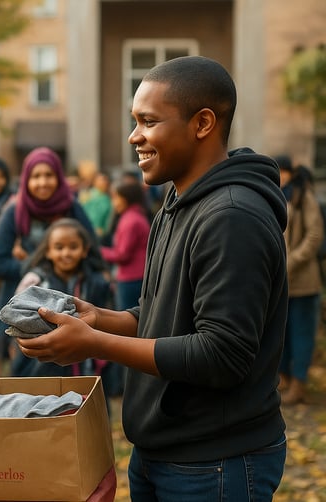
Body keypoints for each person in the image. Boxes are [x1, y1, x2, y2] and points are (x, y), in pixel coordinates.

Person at [17, 56, 288, 500]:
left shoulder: (233, 216)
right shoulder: (175, 201)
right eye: (134, 121)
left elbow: (222, 354)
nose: (134, 136)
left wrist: (94, 344)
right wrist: (96, 318)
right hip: (161, 452)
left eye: (148, 121)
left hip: (214, 463)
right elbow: (163, 315)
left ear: (202, 123)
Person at [0, 146, 101, 376]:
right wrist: (38, 268)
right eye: (36, 176)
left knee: (73, 370)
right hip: (25, 304)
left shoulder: (72, 208)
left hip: (71, 302)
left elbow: (94, 254)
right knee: (29, 372)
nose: (43, 182)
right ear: (26, 179)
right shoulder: (15, 211)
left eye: (48, 175)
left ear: (59, 178)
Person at [13, 217, 110, 379]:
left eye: (73, 247)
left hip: (87, 357)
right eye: (59, 247)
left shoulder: (97, 283)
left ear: (85, 250)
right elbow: (18, 317)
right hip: (41, 361)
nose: (66, 253)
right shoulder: (34, 283)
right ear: (48, 251)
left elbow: (105, 318)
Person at [275, 154, 323, 405]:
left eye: (283, 171)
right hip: (282, 283)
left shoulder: (303, 196)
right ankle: (283, 378)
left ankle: (299, 384)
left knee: (301, 334)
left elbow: (314, 235)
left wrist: (290, 261)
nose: (280, 176)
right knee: (281, 334)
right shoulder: (276, 195)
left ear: (291, 172)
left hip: (303, 282)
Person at [98, 180, 151, 396]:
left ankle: (125, 385)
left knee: (126, 332)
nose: (114, 202)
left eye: (116, 197)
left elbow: (122, 254)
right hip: (132, 278)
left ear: (126, 198)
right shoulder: (135, 217)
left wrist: (97, 250)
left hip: (130, 280)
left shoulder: (130, 221)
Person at [79, 171, 113, 239]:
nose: (104, 182)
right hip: (94, 233)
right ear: (94, 182)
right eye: (101, 180)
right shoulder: (89, 196)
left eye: (106, 179)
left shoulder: (107, 196)